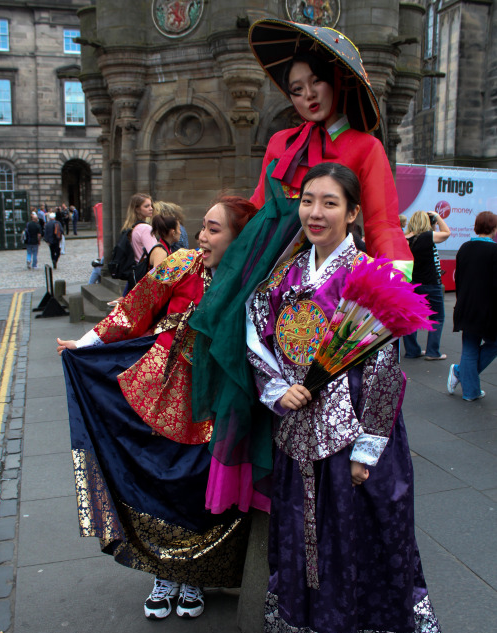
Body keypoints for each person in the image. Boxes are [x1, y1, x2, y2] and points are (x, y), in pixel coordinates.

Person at [247, 162, 458, 633]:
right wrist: (275, 386)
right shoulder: (286, 277)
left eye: (330, 203)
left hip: (354, 444)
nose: (315, 213)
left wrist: (367, 450)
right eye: (308, 201)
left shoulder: (368, 275)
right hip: (296, 434)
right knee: (298, 550)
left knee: (349, 547)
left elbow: (386, 371)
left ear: (353, 212)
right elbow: (257, 334)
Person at [189, 18, 413, 514]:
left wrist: (391, 294)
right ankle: (262, 498)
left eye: (315, 82)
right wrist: (214, 244)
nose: (307, 95)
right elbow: (253, 211)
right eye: (295, 89)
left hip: (333, 288)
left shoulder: (366, 147)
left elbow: (380, 222)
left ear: (338, 81)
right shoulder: (279, 144)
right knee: (247, 372)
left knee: (333, 395)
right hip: (270, 281)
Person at [56, 195, 258, 621]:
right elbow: (135, 309)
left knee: (198, 488)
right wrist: (86, 344)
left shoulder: (249, 282)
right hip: (161, 388)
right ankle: (162, 572)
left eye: (214, 229)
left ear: (238, 239)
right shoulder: (180, 263)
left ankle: (193, 576)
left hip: (216, 400)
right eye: (202, 226)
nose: (202, 236)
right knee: (157, 479)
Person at [447, 211, 497, 401]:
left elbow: (459, 279)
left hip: (466, 305)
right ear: (493, 228)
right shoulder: (494, 251)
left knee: (469, 347)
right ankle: (461, 375)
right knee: (492, 344)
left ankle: (470, 389)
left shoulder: (465, 248)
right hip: (487, 308)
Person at [403, 210, 450, 360]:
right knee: (437, 316)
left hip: (412, 284)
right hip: (430, 283)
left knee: (411, 318)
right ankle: (432, 352)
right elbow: (446, 232)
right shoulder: (428, 236)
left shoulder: (405, 238)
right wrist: (437, 215)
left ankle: (412, 350)